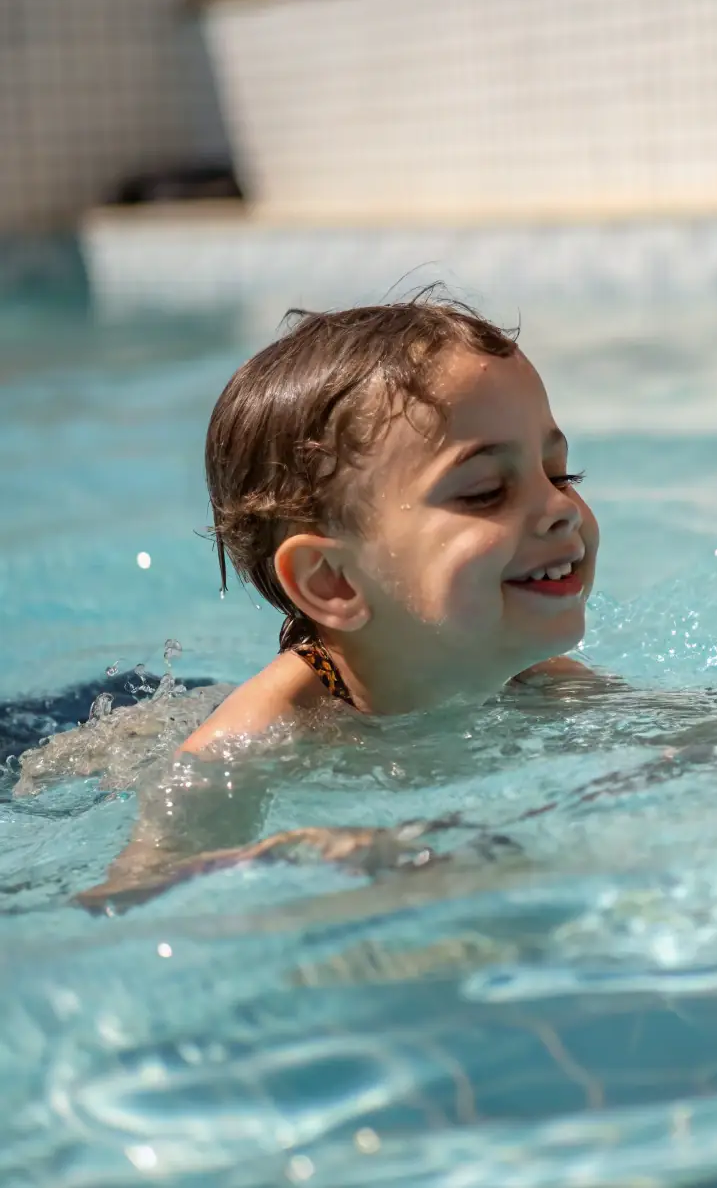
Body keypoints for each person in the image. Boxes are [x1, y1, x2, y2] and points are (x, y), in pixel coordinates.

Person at [77, 292, 603, 910]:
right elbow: (125, 899)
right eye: (486, 491)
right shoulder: (245, 750)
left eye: (560, 474)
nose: (560, 508)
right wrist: (294, 858)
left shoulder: (532, 678)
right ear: (334, 580)